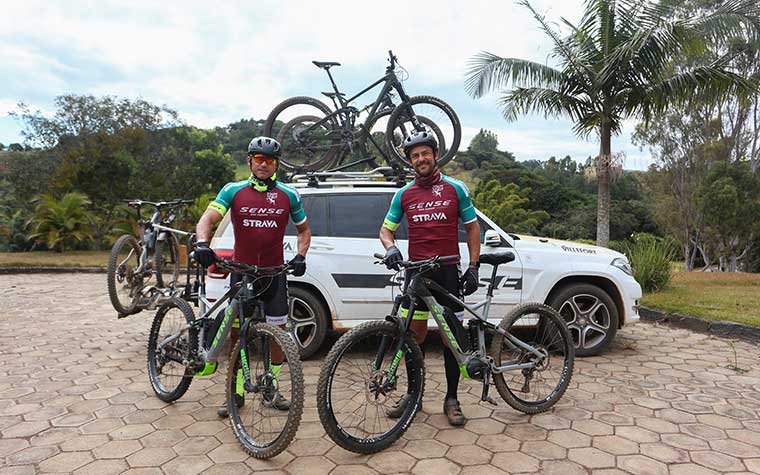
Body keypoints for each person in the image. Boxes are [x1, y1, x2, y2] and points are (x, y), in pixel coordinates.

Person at [194, 136, 311, 417]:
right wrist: (201, 243)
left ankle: (271, 386)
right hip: (242, 273)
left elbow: (304, 231)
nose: (263, 164)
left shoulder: (289, 195)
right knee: (237, 334)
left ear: (276, 164)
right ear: (249, 161)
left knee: (279, 335)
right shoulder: (233, 191)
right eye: (258, 159)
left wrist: (300, 256)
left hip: (274, 275)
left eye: (269, 160)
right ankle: (234, 392)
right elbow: (207, 219)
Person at [379, 131, 481, 426]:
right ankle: (414, 396)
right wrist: (391, 248)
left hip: (448, 271)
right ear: (410, 161)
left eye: (425, 153)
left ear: (435, 155)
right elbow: (386, 230)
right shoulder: (404, 194)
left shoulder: (455, 188)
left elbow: (473, 228)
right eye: (415, 156)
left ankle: (452, 399)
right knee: (414, 336)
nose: (420, 159)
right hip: (416, 273)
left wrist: (473, 266)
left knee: (451, 338)